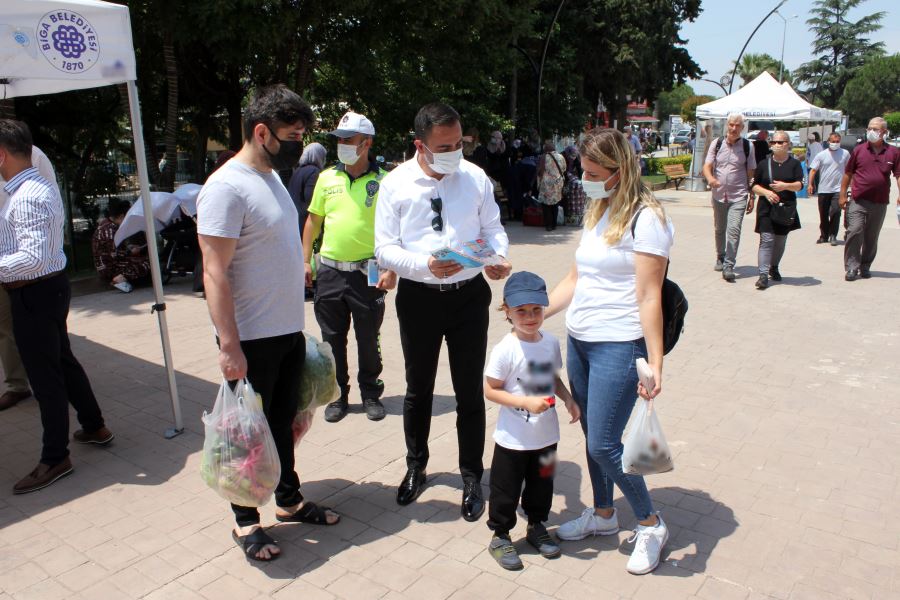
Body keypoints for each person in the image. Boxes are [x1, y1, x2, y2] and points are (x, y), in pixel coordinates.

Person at [197, 84, 339, 563]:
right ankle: (245, 521)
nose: (298, 143)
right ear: (262, 133)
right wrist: (229, 345)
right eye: (292, 134)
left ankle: (288, 499)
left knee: (282, 422)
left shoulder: (274, 177)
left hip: (286, 330)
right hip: (250, 338)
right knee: (245, 433)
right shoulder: (225, 186)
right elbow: (213, 271)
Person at [374, 101, 512, 521]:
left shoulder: (475, 178)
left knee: (470, 390)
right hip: (419, 299)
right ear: (420, 144)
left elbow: (494, 229)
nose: (455, 151)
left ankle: (472, 475)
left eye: (459, 143)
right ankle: (416, 466)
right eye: (445, 146)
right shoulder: (395, 185)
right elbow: (384, 248)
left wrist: (499, 257)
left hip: (469, 297)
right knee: (419, 391)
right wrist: (424, 267)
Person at [545, 128, 673, 575]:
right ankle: (603, 515)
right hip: (579, 339)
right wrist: (538, 312)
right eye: (583, 170)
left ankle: (651, 523)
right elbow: (576, 278)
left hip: (619, 344)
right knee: (589, 432)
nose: (585, 178)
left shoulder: (648, 218)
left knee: (603, 443)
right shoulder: (598, 210)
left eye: (593, 172)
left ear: (620, 172)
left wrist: (655, 363)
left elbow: (649, 296)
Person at [0, 119, 114, 494]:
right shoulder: (33, 187)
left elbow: (31, 258)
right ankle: (94, 425)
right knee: (62, 360)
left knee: (46, 376)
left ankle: (55, 458)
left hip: (35, 291)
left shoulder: (27, 195)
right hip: (45, 290)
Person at [302, 112, 396, 423]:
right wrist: (304, 261)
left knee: (368, 337)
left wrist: (390, 267)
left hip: (368, 271)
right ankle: (338, 395)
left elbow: (397, 228)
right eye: (339, 139)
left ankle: (370, 393)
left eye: (348, 139)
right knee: (332, 338)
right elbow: (313, 222)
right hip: (329, 271)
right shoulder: (327, 178)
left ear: (366, 143)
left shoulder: (384, 181)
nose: (341, 144)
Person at [484, 271, 580, 571]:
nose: (529, 317)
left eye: (536, 310)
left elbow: (550, 376)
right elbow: (489, 389)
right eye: (521, 311)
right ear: (507, 311)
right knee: (505, 489)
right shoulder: (505, 349)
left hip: (546, 437)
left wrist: (567, 398)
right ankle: (500, 535)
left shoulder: (549, 343)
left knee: (543, 485)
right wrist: (524, 402)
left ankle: (536, 525)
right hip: (512, 439)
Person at [0, 145, 56, 411]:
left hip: (35, 277)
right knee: (8, 330)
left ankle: (57, 452)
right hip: (14, 268)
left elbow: (35, 256)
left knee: (47, 355)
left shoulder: (31, 175)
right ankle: (19, 384)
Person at [840, 117, 900, 281]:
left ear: (884, 132)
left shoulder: (894, 152)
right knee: (855, 231)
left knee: (871, 237)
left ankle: (865, 266)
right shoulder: (859, 150)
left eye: (876, 129)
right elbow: (848, 174)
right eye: (869, 128)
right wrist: (842, 194)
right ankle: (851, 267)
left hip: (880, 202)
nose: (871, 132)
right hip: (858, 200)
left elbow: (898, 175)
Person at [701, 112, 756, 282]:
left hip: (738, 195)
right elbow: (707, 166)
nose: (733, 128)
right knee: (720, 228)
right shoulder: (716, 144)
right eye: (731, 124)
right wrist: (710, 179)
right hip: (718, 195)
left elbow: (750, 172)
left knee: (734, 230)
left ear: (742, 127)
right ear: (727, 125)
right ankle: (721, 255)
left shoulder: (748, 146)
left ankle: (729, 265)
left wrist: (752, 195)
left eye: (737, 125)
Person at [751, 130, 804, 290]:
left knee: (780, 241)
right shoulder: (763, 164)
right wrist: (766, 192)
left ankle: (774, 266)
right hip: (766, 208)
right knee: (767, 240)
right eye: (773, 142)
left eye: (780, 142)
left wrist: (785, 186)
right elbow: (753, 185)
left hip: (785, 209)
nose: (776, 145)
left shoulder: (794, 164)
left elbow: (800, 185)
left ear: (787, 144)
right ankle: (762, 274)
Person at [91, 199, 152, 293]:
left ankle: (124, 277)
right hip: (108, 267)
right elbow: (114, 254)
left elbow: (114, 249)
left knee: (142, 260)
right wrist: (131, 251)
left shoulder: (106, 224)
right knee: (146, 263)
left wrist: (129, 247)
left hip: (106, 264)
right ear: (121, 216)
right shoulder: (110, 230)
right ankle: (120, 277)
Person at [808, 132, 849, 246]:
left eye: (837, 142)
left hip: (838, 189)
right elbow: (813, 170)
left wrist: (851, 185)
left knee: (836, 212)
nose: (835, 144)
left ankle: (833, 235)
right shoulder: (821, 155)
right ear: (828, 142)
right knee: (823, 214)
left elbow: (850, 170)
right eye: (833, 141)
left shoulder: (845, 154)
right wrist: (810, 184)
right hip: (823, 189)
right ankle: (824, 235)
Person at [288, 142, 326, 244]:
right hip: (304, 222)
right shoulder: (314, 171)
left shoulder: (298, 170)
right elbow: (311, 199)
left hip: (293, 219)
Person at [536, 142, 566, 231]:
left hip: (546, 184)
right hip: (557, 183)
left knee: (546, 205)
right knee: (555, 204)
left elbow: (539, 170)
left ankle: (548, 225)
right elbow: (564, 168)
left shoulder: (543, 157)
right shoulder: (560, 156)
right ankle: (554, 224)